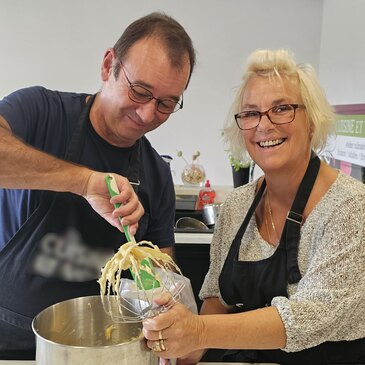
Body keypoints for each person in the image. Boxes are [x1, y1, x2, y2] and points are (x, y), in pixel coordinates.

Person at [142, 49, 365, 364]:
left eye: (282, 108)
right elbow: (217, 298)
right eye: (250, 113)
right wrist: (190, 349)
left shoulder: (351, 206)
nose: (264, 124)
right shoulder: (238, 204)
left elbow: (311, 316)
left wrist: (199, 331)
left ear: (312, 121)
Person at [0, 12, 196, 359]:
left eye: (166, 103)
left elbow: (161, 274)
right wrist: (84, 181)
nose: (148, 115)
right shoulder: (41, 112)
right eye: (140, 91)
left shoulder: (156, 174)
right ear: (109, 66)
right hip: (9, 340)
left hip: (107, 349)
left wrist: (169, 307)